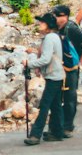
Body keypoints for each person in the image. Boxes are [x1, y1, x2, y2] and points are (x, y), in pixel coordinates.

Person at [24, 13, 66, 144]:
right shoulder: (55, 36)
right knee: (56, 105)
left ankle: (35, 135)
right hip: (58, 75)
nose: (40, 25)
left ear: (48, 25)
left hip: (54, 76)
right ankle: (57, 132)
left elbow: (46, 58)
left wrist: (29, 64)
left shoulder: (49, 38)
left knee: (45, 105)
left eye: (42, 23)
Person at [51, 4, 82, 134]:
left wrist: (80, 62)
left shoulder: (71, 28)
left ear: (65, 16)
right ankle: (58, 126)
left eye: (58, 16)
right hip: (58, 67)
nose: (56, 18)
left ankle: (67, 126)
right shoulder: (56, 29)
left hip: (71, 67)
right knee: (57, 97)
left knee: (70, 98)